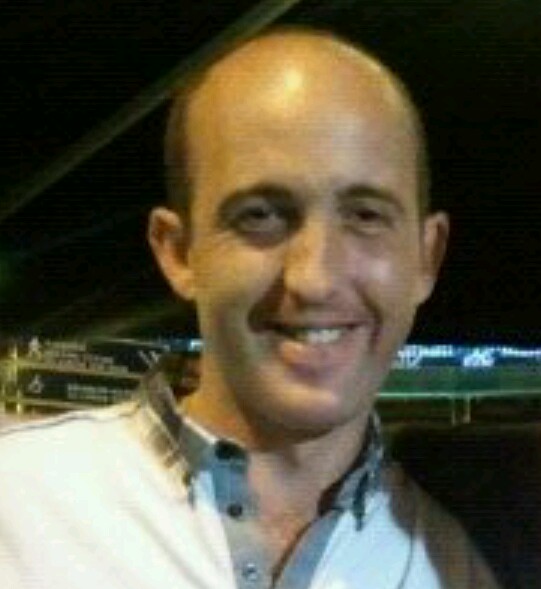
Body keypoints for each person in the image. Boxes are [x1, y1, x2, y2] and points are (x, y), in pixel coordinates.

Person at [0, 28, 499, 588]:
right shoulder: (16, 502)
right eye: (260, 215)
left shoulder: (451, 567)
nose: (315, 279)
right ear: (178, 252)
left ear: (426, 257)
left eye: (365, 215)